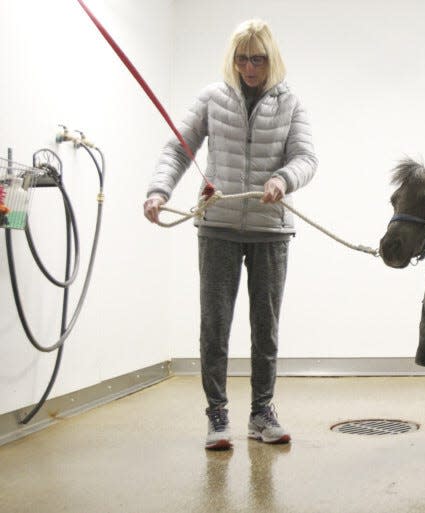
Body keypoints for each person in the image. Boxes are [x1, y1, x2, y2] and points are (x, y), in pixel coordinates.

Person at [143, 19, 317, 450]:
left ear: (270, 58)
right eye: (242, 59)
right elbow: (178, 148)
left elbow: (306, 157)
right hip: (218, 227)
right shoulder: (212, 97)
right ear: (233, 59)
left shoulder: (290, 101)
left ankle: (261, 413)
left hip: (270, 231)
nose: (249, 67)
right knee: (215, 324)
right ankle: (217, 415)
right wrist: (158, 190)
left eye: (257, 59)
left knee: (266, 327)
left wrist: (283, 179)